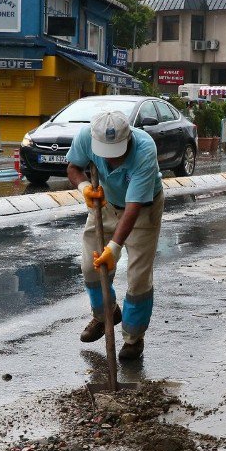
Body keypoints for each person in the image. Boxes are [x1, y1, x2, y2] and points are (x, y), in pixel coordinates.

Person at [66, 111, 164, 360]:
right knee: (90, 267)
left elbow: (133, 206)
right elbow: (73, 167)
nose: (111, 160)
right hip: (106, 204)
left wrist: (115, 247)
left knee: (138, 277)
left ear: (128, 139)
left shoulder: (144, 149)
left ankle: (133, 338)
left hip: (143, 208)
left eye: (117, 152)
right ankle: (105, 314)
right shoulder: (85, 137)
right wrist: (84, 187)